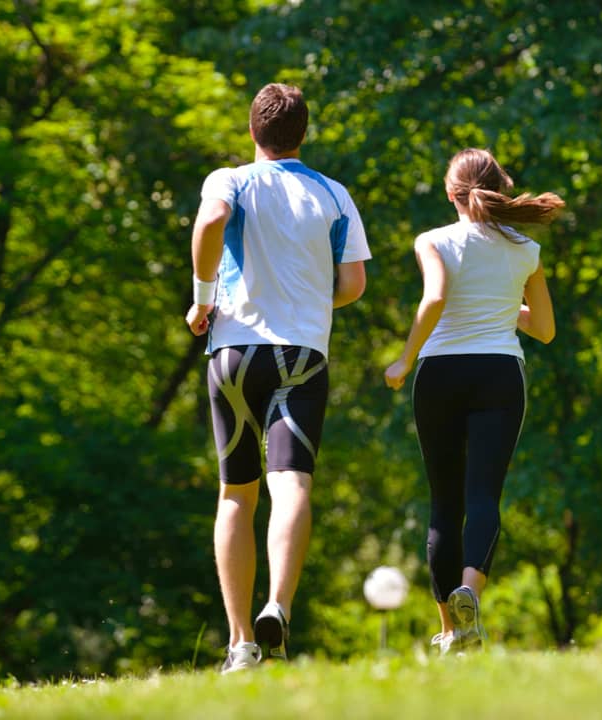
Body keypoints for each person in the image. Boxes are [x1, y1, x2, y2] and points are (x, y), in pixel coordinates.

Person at [186, 83, 371, 673]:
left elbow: (212, 220)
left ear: (252, 131)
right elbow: (353, 286)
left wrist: (201, 299)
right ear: (303, 134)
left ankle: (240, 642)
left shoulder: (229, 180)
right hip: (301, 356)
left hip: (233, 353)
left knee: (237, 494)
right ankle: (278, 607)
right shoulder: (334, 194)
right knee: (291, 484)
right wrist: (309, 301)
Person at [384, 148, 561, 654]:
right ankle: (470, 594)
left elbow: (436, 297)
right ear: (500, 186)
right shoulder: (525, 250)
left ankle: (450, 630)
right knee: (484, 496)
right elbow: (545, 330)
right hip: (499, 375)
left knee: (444, 504)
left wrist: (403, 359)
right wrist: (506, 304)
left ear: (449, 193)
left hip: (440, 374)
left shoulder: (433, 240)